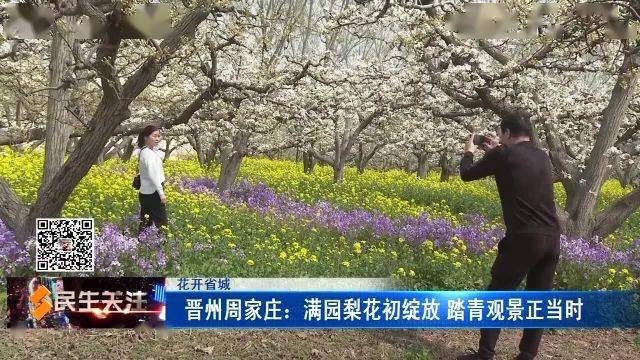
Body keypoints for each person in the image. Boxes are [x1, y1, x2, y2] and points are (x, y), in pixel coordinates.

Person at [456, 112, 561, 360]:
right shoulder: (542, 156)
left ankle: (485, 354)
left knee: (498, 293)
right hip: (552, 238)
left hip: (525, 238)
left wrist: (469, 151)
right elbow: (516, 166)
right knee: (538, 301)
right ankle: (526, 355)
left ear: (505, 133)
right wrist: (495, 151)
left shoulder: (504, 155)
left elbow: (467, 174)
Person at [137, 125, 168, 232]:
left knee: (145, 222)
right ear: (146, 137)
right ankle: (162, 247)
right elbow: (153, 174)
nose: (157, 139)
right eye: (154, 136)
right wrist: (161, 193)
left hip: (145, 193)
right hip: (154, 193)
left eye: (159, 136)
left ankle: (142, 245)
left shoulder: (144, 151)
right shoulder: (148, 154)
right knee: (162, 224)